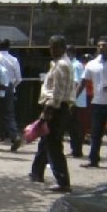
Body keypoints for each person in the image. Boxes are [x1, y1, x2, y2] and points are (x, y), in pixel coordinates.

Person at [29, 35, 75, 192]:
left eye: (56, 47)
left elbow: (57, 92)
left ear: (63, 47)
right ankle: (36, 173)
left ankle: (63, 181)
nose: (52, 50)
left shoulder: (62, 65)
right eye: (51, 46)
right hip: (55, 107)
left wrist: (48, 111)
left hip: (56, 108)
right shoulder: (57, 63)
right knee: (45, 142)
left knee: (53, 145)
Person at [78, 36, 107, 168]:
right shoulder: (92, 64)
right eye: (99, 45)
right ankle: (93, 159)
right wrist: (73, 98)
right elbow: (83, 83)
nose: (101, 48)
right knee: (96, 133)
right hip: (98, 102)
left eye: (104, 45)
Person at [0, 39, 23, 151]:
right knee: (9, 114)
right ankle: (14, 135)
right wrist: (12, 86)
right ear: (8, 47)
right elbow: (19, 78)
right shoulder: (13, 59)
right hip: (9, 86)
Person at [66, 45, 86, 158]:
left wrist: (71, 98)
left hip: (75, 100)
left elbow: (76, 82)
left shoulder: (75, 65)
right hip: (73, 99)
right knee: (72, 125)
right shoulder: (71, 65)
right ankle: (75, 149)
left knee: (75, 126)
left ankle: (77, 150)